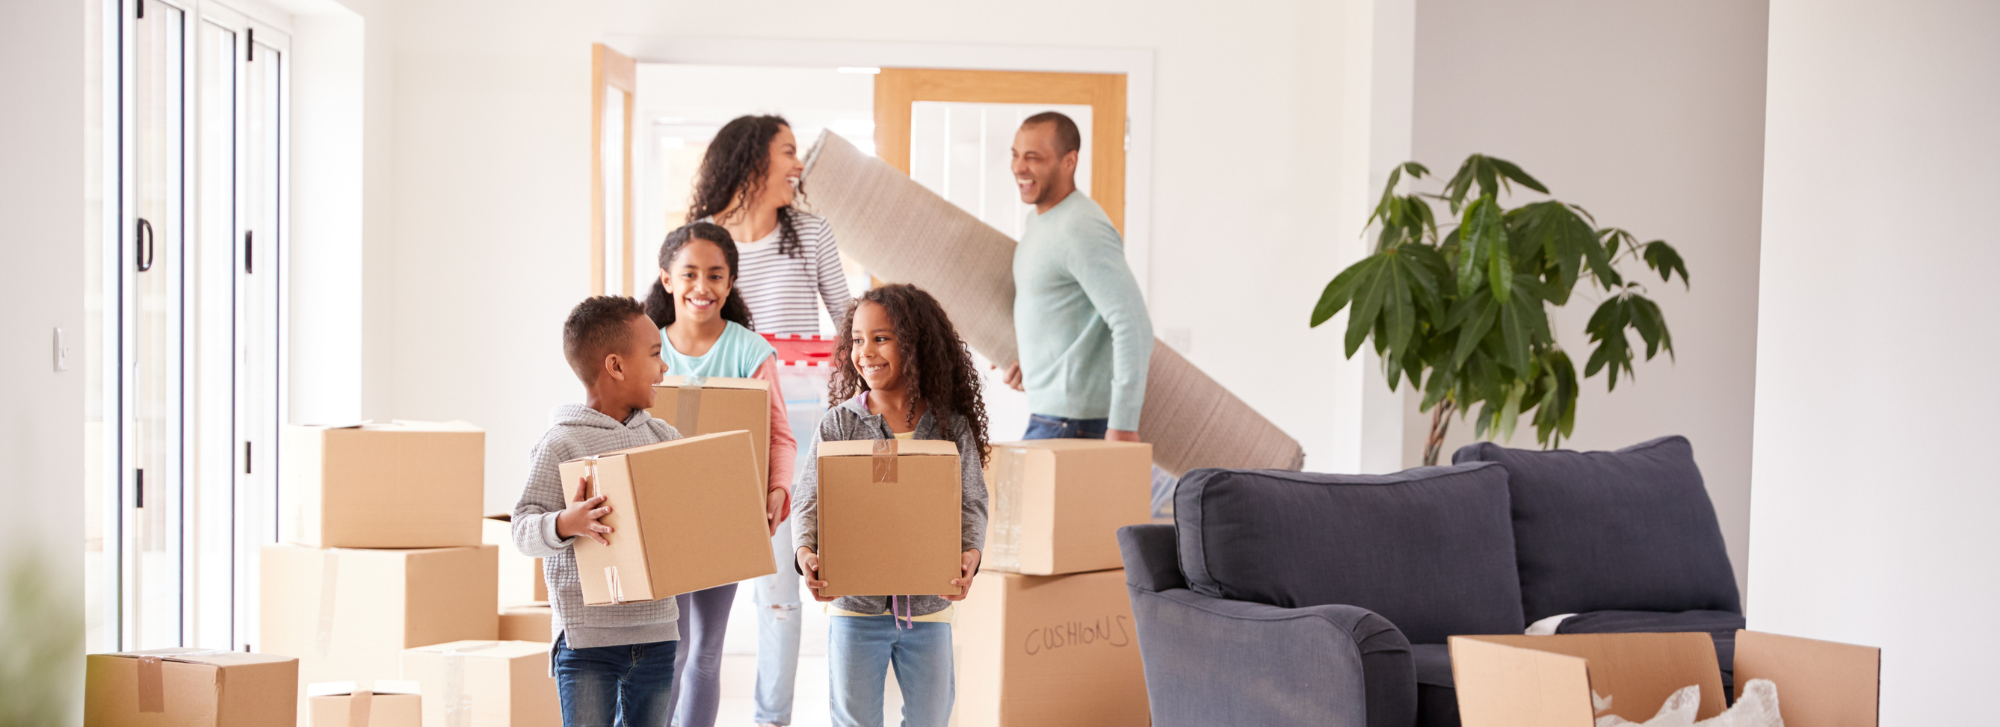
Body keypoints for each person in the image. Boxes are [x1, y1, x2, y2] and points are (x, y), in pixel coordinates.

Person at [687, 114, 851, 727]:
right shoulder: (700, 240)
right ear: (753, 160)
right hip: (719, 422)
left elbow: (850, 324)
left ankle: (770, 720)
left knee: (779, 588)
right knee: (698, 581)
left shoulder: (810, 233)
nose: (798, 163)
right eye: (787, 151)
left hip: (798, 422)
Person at [791, 284, 990, 727]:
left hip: (929, 608)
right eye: (857, 340)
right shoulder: (840, 423)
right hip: (854, 608)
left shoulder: (948, 427)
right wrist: (805, 554)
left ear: (916, 345)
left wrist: (970, 558)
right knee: (855, 720)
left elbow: (972, 503)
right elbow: (809, 499)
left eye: (881, 338)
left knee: (931, 718)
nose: (866, 352)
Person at [644, 222, 799, 727]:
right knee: (673, 648)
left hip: (723, 518)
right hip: (661, 519)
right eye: (689, 274)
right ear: (667, 279)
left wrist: (778, 488)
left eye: (715, 276)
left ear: (730, 283)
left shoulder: (751, 352)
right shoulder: (646, 349)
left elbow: (779, 435)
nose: (702, 288)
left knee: (706, 652)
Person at [512, 295, 681, 727]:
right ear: (616, 366)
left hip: (657, 632)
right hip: (587, 641)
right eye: (656, 354)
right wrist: (567, 523)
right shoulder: (560, 444)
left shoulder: (663, 437)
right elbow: (522, 528)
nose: (665, 369)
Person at [1003, 113, 1153, 440]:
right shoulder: (1039, 222)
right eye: (1015, 154)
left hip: (1074, 423)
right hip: (1052, 415)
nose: (1018, 167)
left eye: (1033, 157)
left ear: (1069, 161)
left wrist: (1124, 424)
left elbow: (1134, 324)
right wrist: (1034, 365)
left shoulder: (1081, 227)